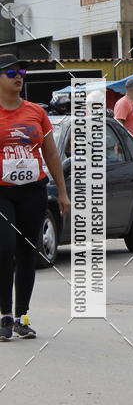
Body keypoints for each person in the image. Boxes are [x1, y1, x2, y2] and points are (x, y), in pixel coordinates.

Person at [0, 55, 70, 340]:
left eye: (22, 71)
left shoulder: (35, 112)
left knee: (28, 252)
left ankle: (22, 317)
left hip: (33, 190)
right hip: (1, 192)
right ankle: (4, 313)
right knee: (4, 250)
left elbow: (51, 153)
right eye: (11, 72)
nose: (19, 76)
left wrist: (62, 192)